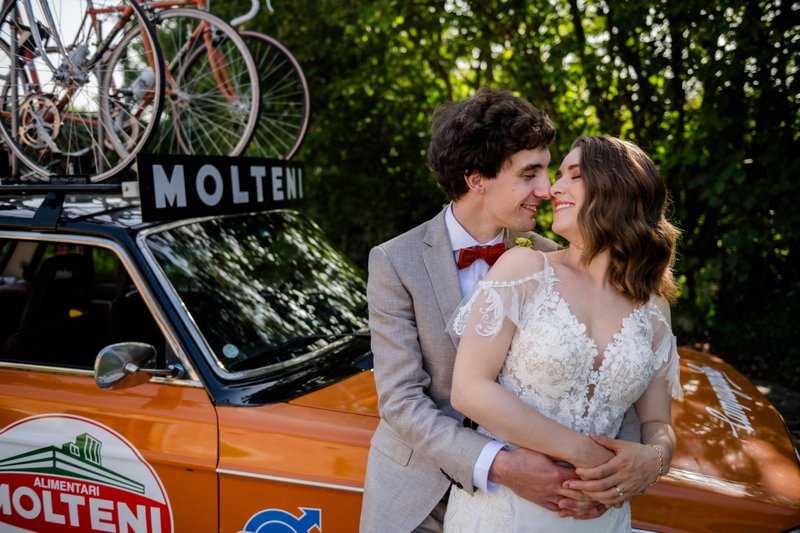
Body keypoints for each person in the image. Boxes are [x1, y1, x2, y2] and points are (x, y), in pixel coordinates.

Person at [360, 89, 643, 533]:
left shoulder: (555, 258)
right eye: (530, 173)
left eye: (548, 170)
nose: (547, 190)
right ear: (477, 179)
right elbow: (401, 401)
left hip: (542, 503)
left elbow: (608, 374)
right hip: (416, 497)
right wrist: (501, 466)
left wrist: (617, 468)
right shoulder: (396, 261)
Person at [443, 135, 683, 532]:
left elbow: (658, 421)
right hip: (507, 511)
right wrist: (585, 454)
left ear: (619, 189)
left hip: (602, 516)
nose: (553, 189)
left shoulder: (653, 305)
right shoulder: (524, 269)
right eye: (559, 176)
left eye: (574, 175)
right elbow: (469, 390)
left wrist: (655, 459)